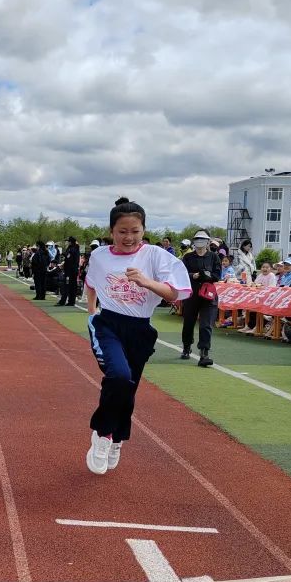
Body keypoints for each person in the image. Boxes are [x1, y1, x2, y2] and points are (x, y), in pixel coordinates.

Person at [84, 197, 191, 475]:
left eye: (135, 231)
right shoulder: (100, 256)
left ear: (143, 230)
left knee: (128, 388)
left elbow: (175, 294)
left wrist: (146, 281)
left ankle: (117, 438)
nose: (128, 237)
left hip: (141, 329)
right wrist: (92, 311)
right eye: (122, 231)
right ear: (111, 231)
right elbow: (91, 283)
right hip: (108, 325)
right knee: (118, 375)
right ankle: (103, 434)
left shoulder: (155, 255)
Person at [180, 230, 222, 367]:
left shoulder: (214, 257)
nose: (200, 241)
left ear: (208, 241)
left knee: (206, 325)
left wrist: (207, 275)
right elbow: (182, 273)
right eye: (197, 238)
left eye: (203, 239)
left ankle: (204, 353)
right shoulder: (188, 257)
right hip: (192, 294)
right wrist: (194, 275)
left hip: (208, 295)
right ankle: (186, 347)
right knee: (188, 323)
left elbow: (217, 275)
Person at [58, 236, 81, 306]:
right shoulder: (75, 248)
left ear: (70, 242)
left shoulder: (72, 249)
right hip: (72, 271)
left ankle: (63, 301)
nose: (66, 243)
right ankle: (71, 301)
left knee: (67, 286)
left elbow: (69, 259)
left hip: (70, 271)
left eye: (67, 241)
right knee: (72, 286)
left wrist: (64, 254)